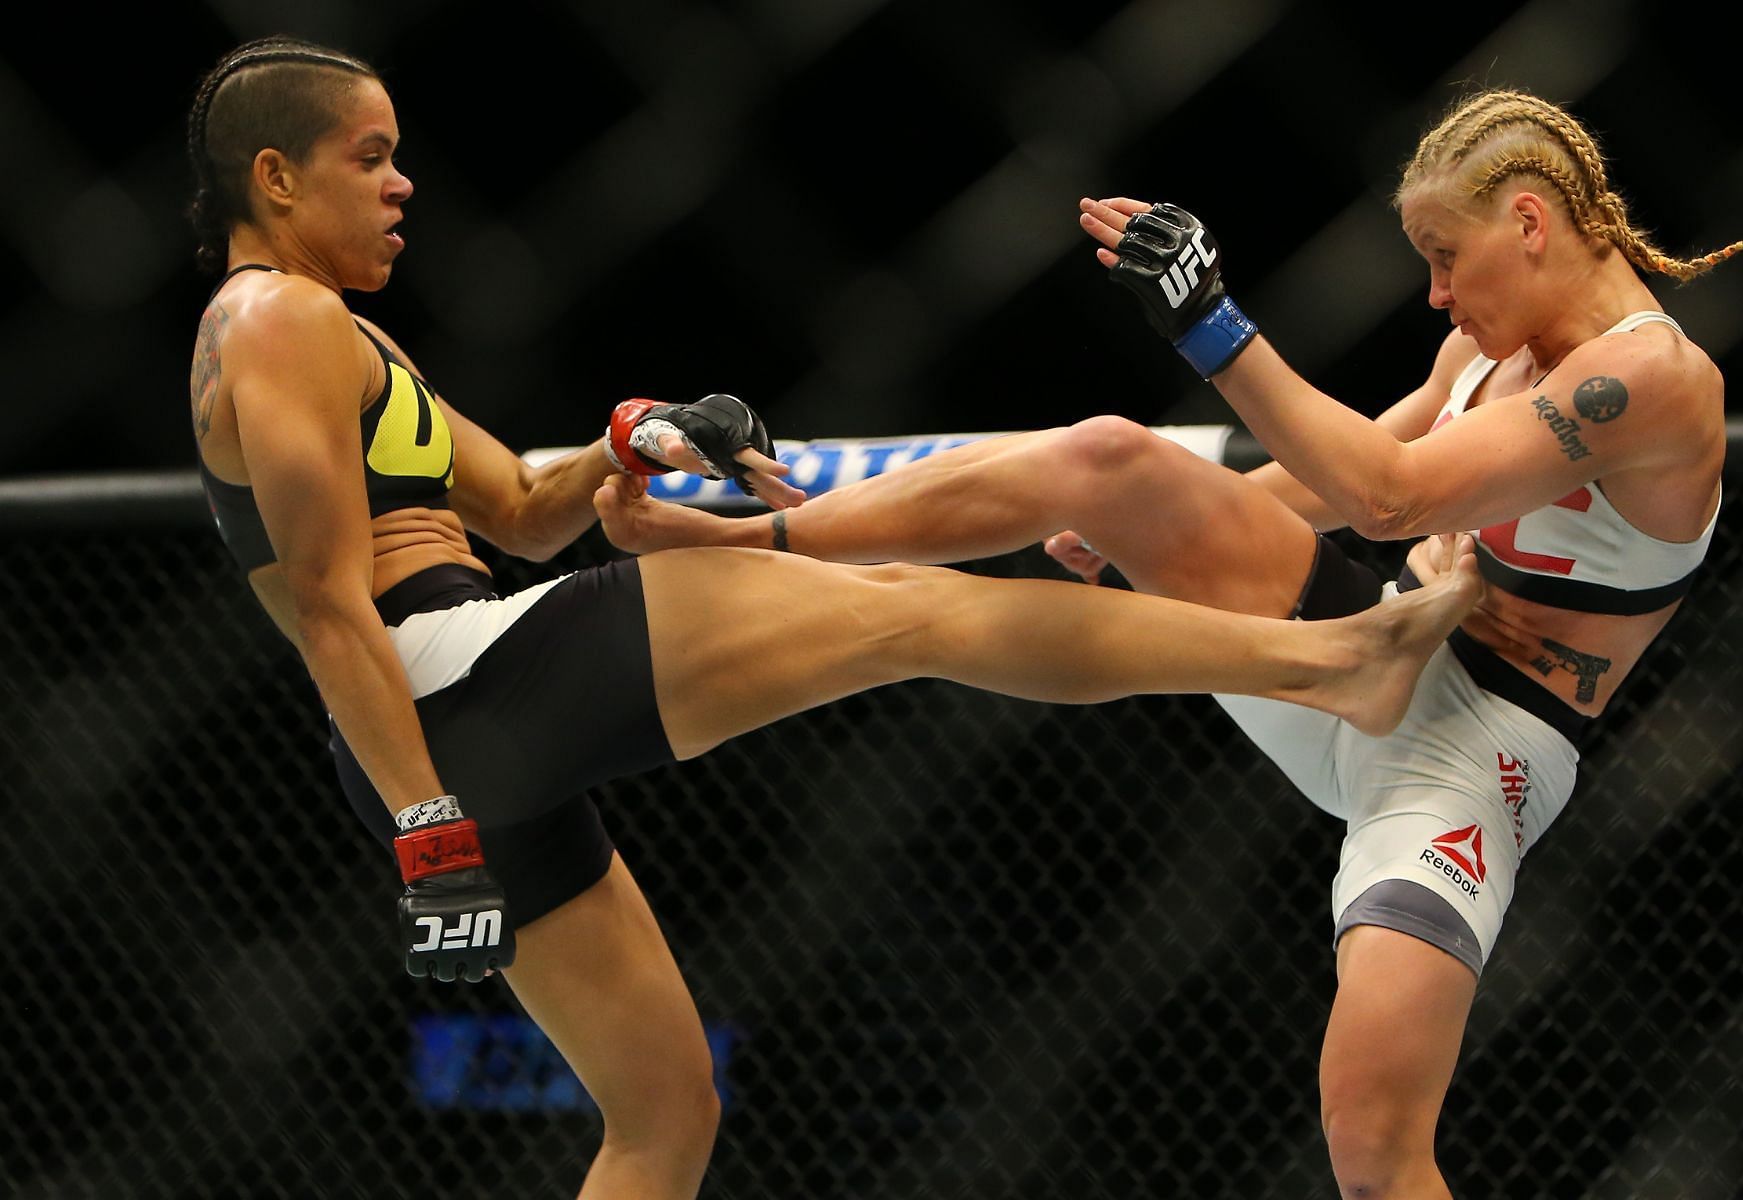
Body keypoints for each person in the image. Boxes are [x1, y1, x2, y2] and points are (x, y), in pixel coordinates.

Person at [184, 37, 1483, 1200]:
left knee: (664, 1116)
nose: (404, 184)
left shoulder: (350, 340)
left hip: (450, 711)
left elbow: (523, 509)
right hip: (442, 698)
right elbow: (324, 600)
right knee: (915, 612)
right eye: (370, 157)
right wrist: (429, 832)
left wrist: (635, 434)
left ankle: (1337, 660)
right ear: (277, 180)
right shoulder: (275, 318)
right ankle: (1333, 658)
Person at [598, 88, 1743, 1198]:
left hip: (1476, 747)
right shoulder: (1482, 354)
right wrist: (1149, 526)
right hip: (1351, 648)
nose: (1433, 297)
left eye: (1442, 259)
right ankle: (745, 533)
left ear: (1528, 221)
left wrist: (1216, 326)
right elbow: (1332, 482)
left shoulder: (1658, 379)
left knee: (1372, 1144)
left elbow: (1389, 497)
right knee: (1108, 458)